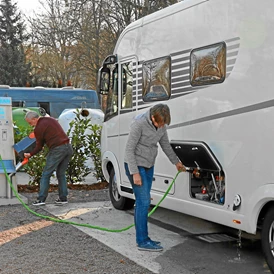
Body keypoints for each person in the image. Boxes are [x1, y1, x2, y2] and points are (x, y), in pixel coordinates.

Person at [124, 103, 186, 252]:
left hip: (148, 165)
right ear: (153, 117)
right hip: (135, 166)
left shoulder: (162, 125)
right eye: (159, 123)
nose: (161, 126)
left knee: (142, 202)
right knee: (144, 202)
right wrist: (135, 173)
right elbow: (129, 150)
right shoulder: (139, 124)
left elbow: (165, 145)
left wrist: (176, 162)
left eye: (163, 124)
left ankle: (144, 238)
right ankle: (143, 241)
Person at [24, 111, 73, 206]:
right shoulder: (51, 119)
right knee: (61, 174)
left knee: (46, 174)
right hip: (68, 148)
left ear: (34, 119)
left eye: (30, 123)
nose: (31, 125)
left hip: (57, 149)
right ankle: (63, 198)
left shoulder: (38, 128)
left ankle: (41, 199)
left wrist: (30, 154)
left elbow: (39, 146)